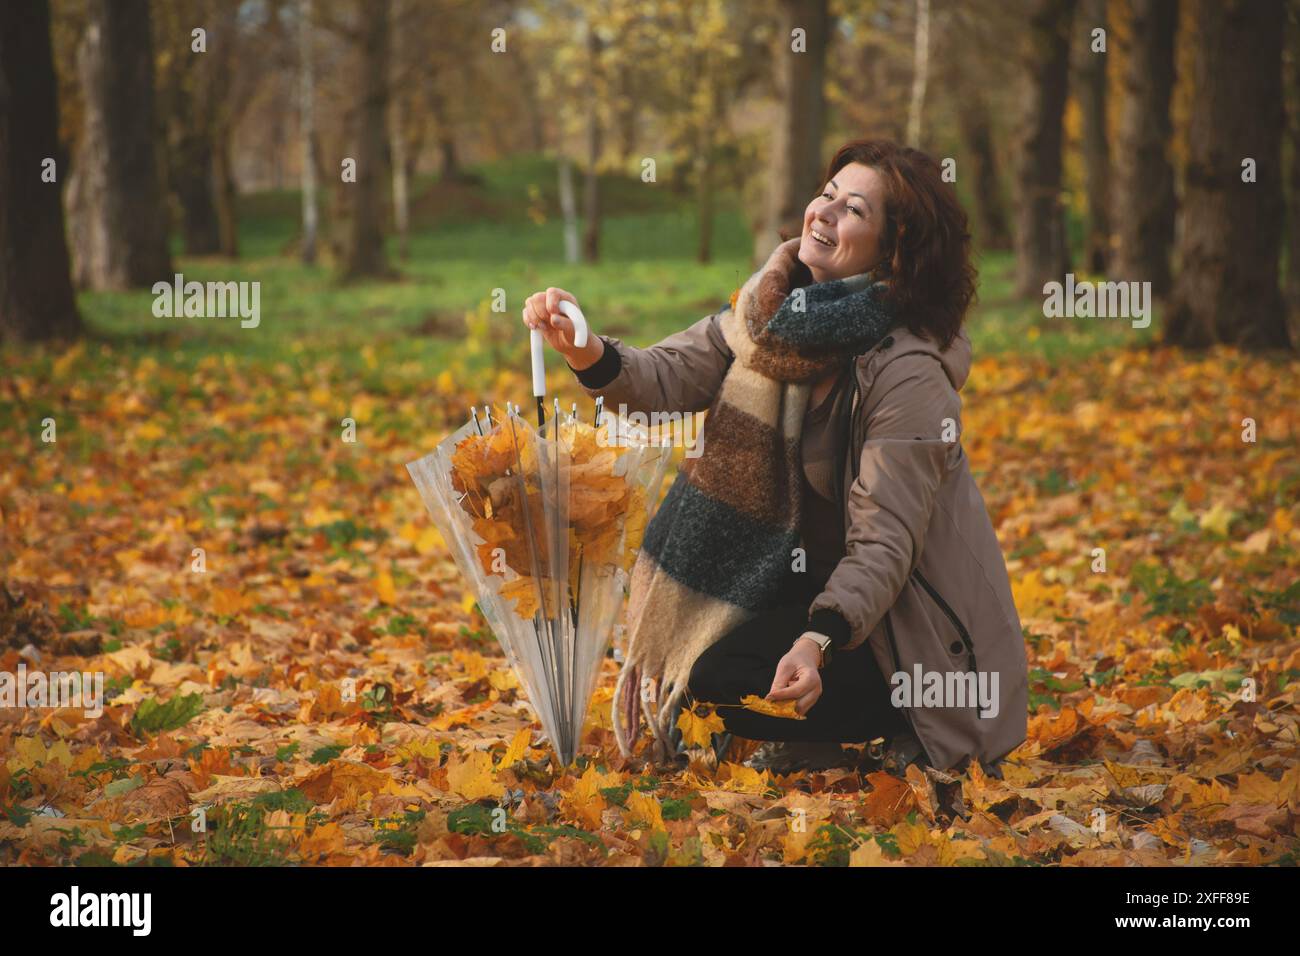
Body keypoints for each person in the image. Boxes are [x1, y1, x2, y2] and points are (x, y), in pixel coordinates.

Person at [522, 139, 1026, 776]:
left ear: (894, 252)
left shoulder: (908, 374)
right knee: (705, 657)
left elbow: (885, 543)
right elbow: (667, 378)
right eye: (828, 194)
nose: (826, 212)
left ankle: (898, 723)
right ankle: (816, 731)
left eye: (855, 211)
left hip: (908, 638)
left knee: (716, 673)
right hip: (808, 587)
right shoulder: (767, 314)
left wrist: (817, 640)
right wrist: (586, 347)